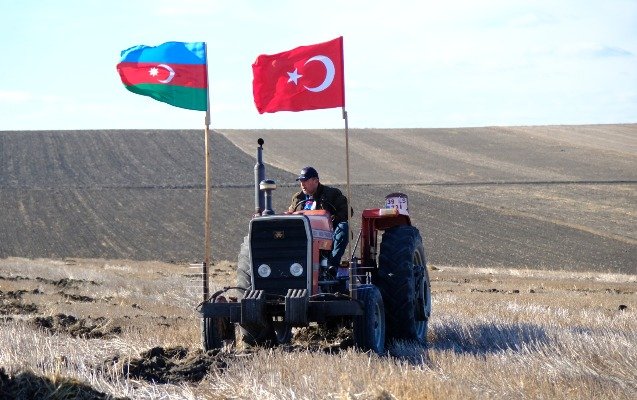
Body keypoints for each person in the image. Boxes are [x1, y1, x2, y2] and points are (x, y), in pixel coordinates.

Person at [288, 166, 349, 269]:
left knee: (343, 227)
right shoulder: (297, 199)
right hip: (302, 234)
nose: (302, 184)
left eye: (305, 180)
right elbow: (290, 215)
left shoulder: (332, 194)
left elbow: (346, 211)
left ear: (316, 181)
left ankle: (332, 264)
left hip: (326, 234)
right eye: (301, 181)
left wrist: (333, 218)